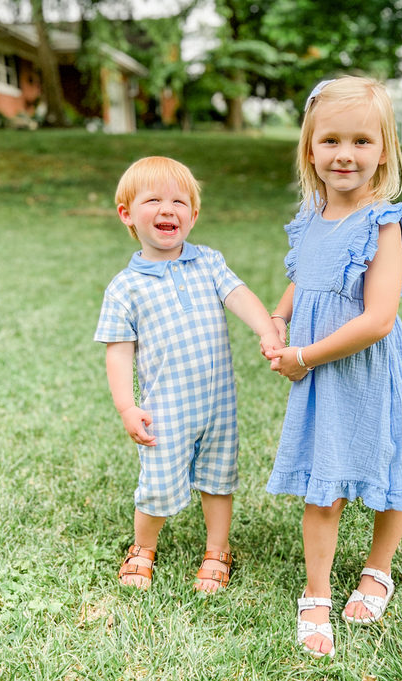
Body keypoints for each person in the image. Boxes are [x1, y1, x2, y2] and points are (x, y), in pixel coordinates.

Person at [264, 77, 402, 658]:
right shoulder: (311, 216)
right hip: (319, 375)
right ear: (309, 149)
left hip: (366, 369)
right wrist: (280, 317)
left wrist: (303, 357)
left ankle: (377, 569)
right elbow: (304, 276)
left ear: (384, 150)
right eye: (330, 140)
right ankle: (315, 594)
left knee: (390, 473)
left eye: (362, 141)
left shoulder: (383, 224)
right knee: (324, 482)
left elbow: (378, 319)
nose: (345, 154)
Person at [94, 156, 282, 591]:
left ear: (193, 215)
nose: (168, 209)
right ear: (127, 214)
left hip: (217, 404)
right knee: (156, 484)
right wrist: (127, 406)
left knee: (218, 479)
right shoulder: (125, 287)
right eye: (153, 200)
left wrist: (267, 328)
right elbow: (119, 354)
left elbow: (240, 295)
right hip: (165, 408)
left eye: (180, 201)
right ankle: (143, 547)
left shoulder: (209, 263)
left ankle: (218, 549)